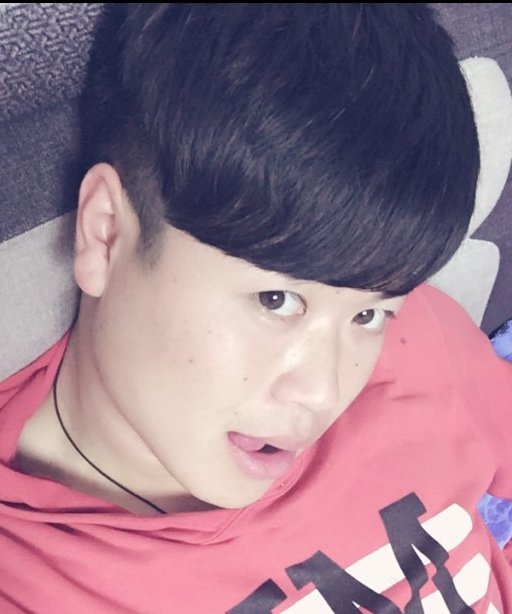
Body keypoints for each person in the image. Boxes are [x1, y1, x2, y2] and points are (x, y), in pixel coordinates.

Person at [0, 3, 508, 612]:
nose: (323, 393)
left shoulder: (419, 336)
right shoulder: (28, 576)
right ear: (106, 233)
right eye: (277, 300)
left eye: (369, 315)